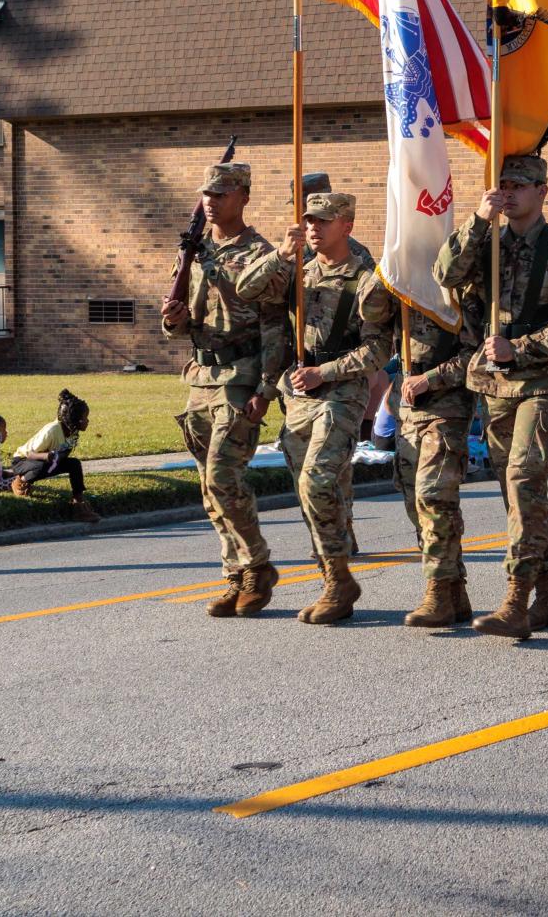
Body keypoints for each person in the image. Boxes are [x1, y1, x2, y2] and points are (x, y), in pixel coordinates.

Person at [436, 153, 548, 640]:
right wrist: (478, 219)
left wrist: (520, 348)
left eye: (520, 185)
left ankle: (516, 598)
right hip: (496, 387)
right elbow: (445, 274)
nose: (510, 193)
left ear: (543, 191)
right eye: (503, 185)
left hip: (543, 384)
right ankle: (547, 597)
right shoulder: (487, 245)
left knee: (525, 479)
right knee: (518, 494)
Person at [236, 190, 396, 626]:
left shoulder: (366, 279)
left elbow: (379, 349)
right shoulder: (299, 272)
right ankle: (331, 572)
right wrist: (282, 255)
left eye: (323, 221)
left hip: (341, 394)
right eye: (309, 220)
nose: (313, 227)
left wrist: (326, 372)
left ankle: (339, 581)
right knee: (320, 491)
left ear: (346, 225)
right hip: (298, 395)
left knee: (316, 482)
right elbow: (247, 289)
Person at [160, 161, 290, 619]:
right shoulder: (192, 250)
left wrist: (267, 388)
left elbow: (276, 327)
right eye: (207, 195)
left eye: (221, 194)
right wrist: (174, 321)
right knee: (207, 487)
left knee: (223, 477)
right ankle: (234, 574)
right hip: (200, 378)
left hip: (241, 378)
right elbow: (181, 323)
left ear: (244, 197)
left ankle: (258, 566)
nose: (211, 202)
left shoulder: (260, 254)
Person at [392, 301, 477, 628]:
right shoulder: (399, 284)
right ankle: (455, 592)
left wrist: (430, 378)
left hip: (447, 407)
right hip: (408, 407)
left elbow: (476, 353)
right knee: (416, 501)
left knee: (434, 496)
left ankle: (438, 590)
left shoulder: (457, 287)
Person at [10, 389, 99, 521]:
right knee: (40, 467)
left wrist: (58, 458)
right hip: (23, 461)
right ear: (74, 419)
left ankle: (78, 502)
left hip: (50, 460)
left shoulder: (73, 432)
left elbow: (66, 451)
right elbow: (30, 453)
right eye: (84, 418)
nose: (87, 421)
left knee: (74, 464)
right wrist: (48, 457)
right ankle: (20, 482)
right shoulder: (52, 431)